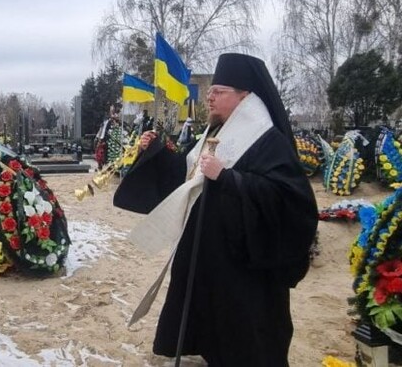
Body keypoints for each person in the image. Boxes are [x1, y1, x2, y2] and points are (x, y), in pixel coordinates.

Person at [113, 53, 318, 366]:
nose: (209, 97)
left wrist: (228, 177)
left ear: (245, 97)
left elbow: (291, 201)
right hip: (209, 254)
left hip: (245, 263)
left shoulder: (267, 141)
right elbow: (188, 174)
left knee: (246, 335)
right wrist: (155, 151)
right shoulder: (215, 132)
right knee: (213, 323)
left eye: (218, 91)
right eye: (210, 91)